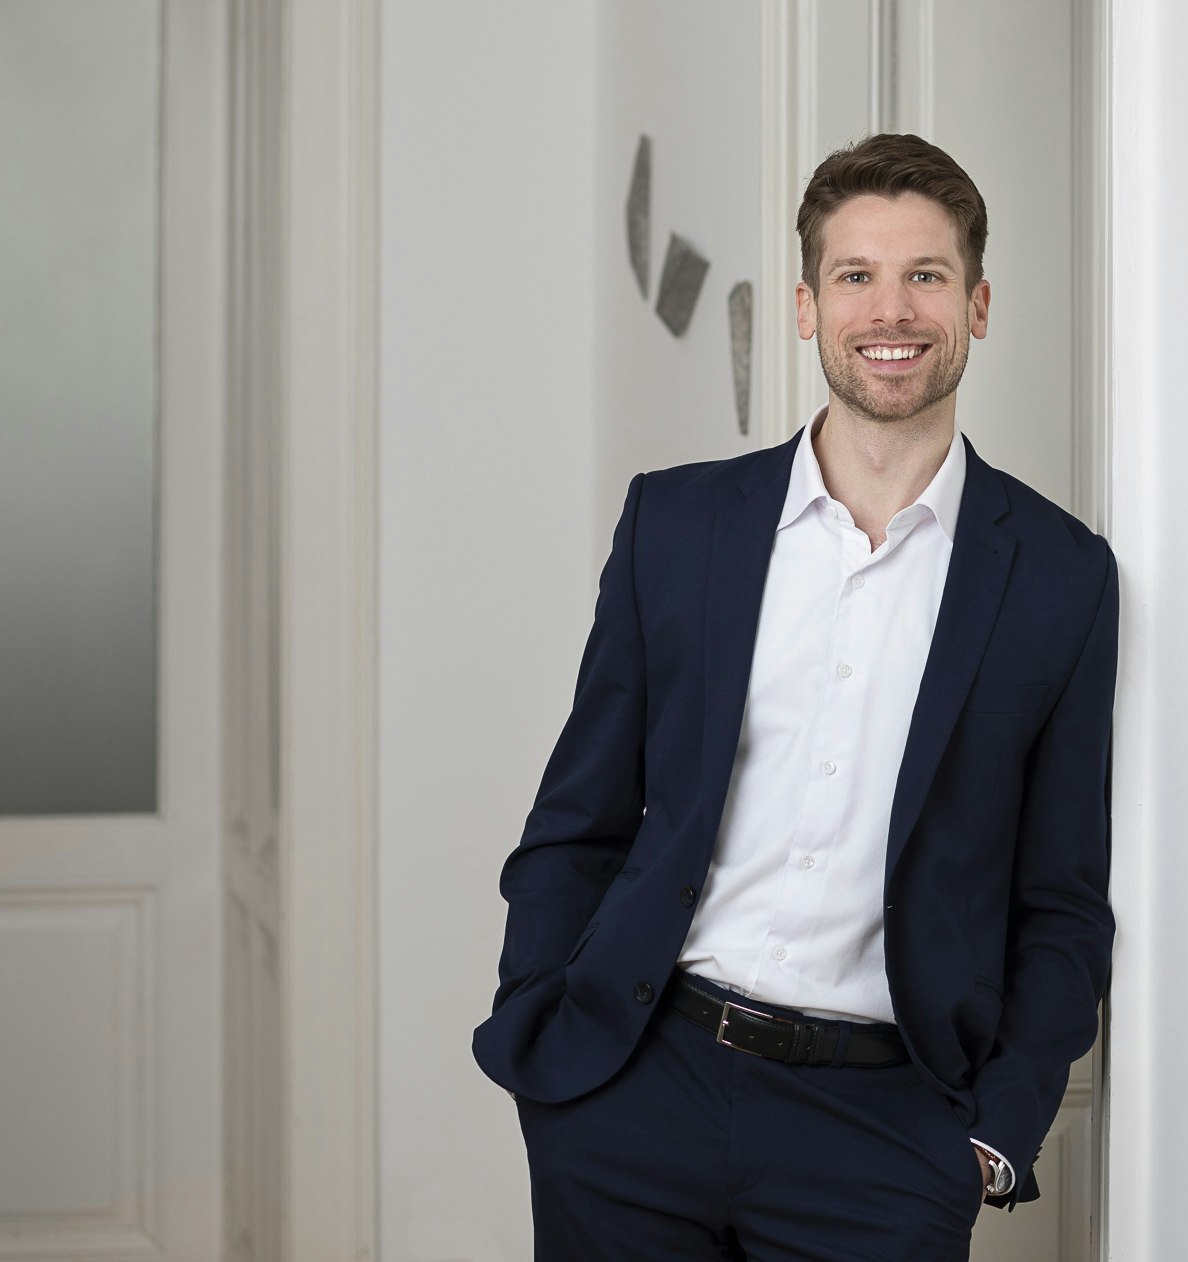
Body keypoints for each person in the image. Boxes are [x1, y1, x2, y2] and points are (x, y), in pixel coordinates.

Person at [472, 132, 1119, 1261]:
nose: (892, 310)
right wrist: (548, 1041)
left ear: (977, 304)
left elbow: (1060, 901)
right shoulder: (677, 526)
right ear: (810, 306)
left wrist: (996, 1134)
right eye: (856, 276)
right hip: (637, 1094)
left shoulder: (1060, 576)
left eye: (925, 275)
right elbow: (577, 820)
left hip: (886, 1136)